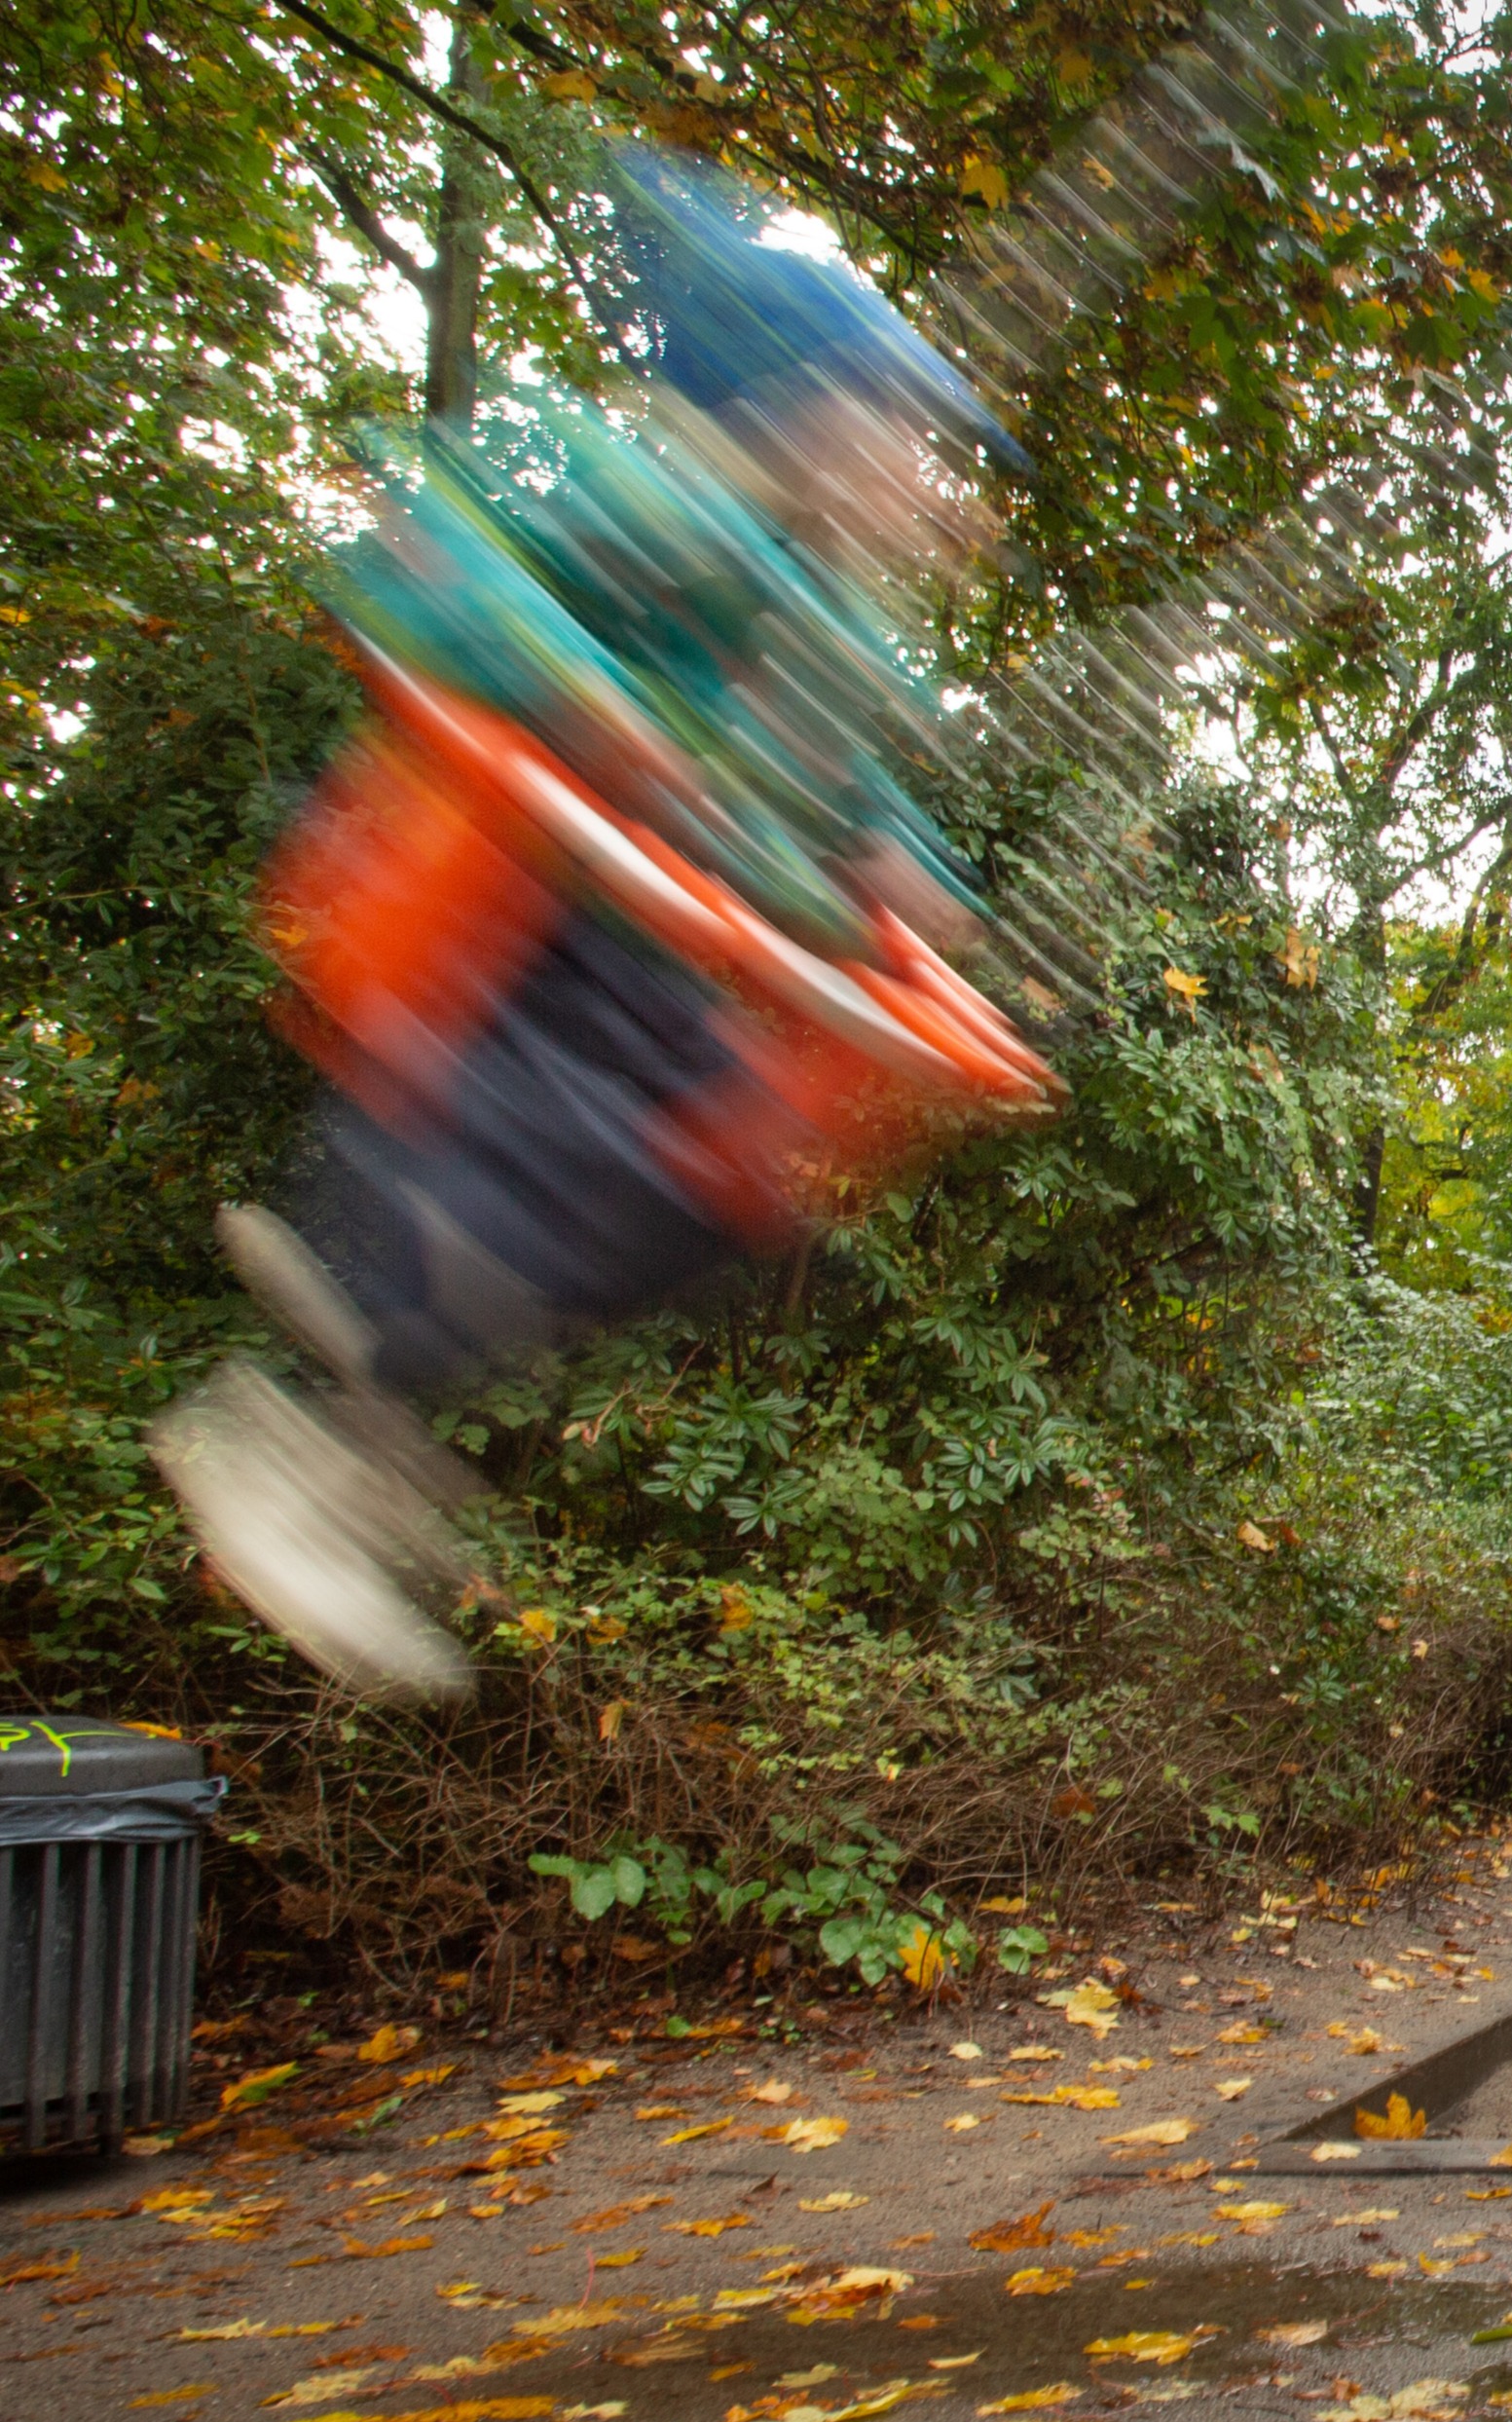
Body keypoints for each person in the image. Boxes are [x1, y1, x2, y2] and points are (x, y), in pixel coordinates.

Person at [153, 148, 1048, 1698]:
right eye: (898, 438)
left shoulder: (837, 633)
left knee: (710, 1195)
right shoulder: (648, 505)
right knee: (545, 1136)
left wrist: (911, 889)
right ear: (796, 412)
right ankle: (360, 1283)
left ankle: (357, 1427)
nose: (921, 487)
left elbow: (852, 802)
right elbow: (441, 567)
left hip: (662, 959)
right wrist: (578, 688)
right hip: (521, 906)